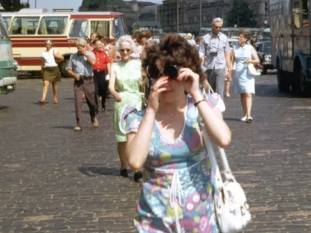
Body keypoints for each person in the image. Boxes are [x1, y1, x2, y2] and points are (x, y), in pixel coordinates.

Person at [121, 34, 231, 232]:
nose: (164, 81)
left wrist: (196, 94)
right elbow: (135, 162)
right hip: (154, 223)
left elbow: (223, 139)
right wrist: (151, 111)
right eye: (156, 72)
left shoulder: (200, 109)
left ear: (187, 73)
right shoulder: (139, 118)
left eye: (171, 73)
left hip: (201, 222)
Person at [109, 35, 144, 179]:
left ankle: (136, 168)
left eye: (128, 50)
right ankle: (123, 165)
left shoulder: (138, 64)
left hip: (137, 102)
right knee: (122, 137)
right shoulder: (115, 66)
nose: (125, 52)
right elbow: (111, 86)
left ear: (132, 50)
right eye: (122, 50)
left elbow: (144, 83)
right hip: (122, 102)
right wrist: (114, 93)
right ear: (118, 50)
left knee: (136, 135)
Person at [66, 39, 98, 132]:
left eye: (81, 47)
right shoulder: (73, 56)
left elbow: (93, 63)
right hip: (78, 82)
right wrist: (74, 75)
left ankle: (93, 117)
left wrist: (86, 54)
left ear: (85, 47)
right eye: (78, 47)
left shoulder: (90, 54)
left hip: (89, 80)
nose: (79, 49)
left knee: (91, 103)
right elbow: (68, 69)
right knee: (78, 102)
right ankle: (79, 124)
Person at [231, 28, 260, 122]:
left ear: (246, 39)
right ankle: (245, 114)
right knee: (242, 93)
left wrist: (250, 61)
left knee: (248, 92)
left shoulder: (250, 47)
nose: (239, 38)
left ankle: (249, 115)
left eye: (241, 36)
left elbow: (257, 60)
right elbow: (232, 62)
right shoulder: (234, 48)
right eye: (239, 36)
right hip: (239, 72)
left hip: (247, 73)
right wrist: (229, 72)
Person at [199, 18, 232, 98]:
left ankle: (219, 105)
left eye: (220, 27)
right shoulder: (205, 38)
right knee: (209, 91)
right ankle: (210, 105)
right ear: (212, 25)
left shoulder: (224, 38)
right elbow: (201, 54)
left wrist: (229, 69)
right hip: (208, 66)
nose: (218, 29)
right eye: (216, 27)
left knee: (219, 91)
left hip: (220, 66)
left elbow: (227, 54)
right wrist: (200, 68)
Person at [39, 40, 63, 104]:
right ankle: (43, 98)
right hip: (46, 69)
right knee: (45, 83)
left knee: (54, 84)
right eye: (47, 44)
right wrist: (41, 71)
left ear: (52, 45)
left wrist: (56, 56)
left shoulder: (55, 51)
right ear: (45, 45)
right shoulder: (43, 53)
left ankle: (55, 98)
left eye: (49, 44)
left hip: (54, 68)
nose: (48, 45)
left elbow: (62, 58)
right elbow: (42, 63)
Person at [92, 38, 112, 113]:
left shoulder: (104, 53)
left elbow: (108, 63)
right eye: (98, 45)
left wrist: (109, 72)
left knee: (103, 91)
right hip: (94, 74)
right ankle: (96, 107)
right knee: (95, 91)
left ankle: (103, 104)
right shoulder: (91, 53)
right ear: (94, 46)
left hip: (102, 74)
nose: (100, 46)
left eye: (101, 44)